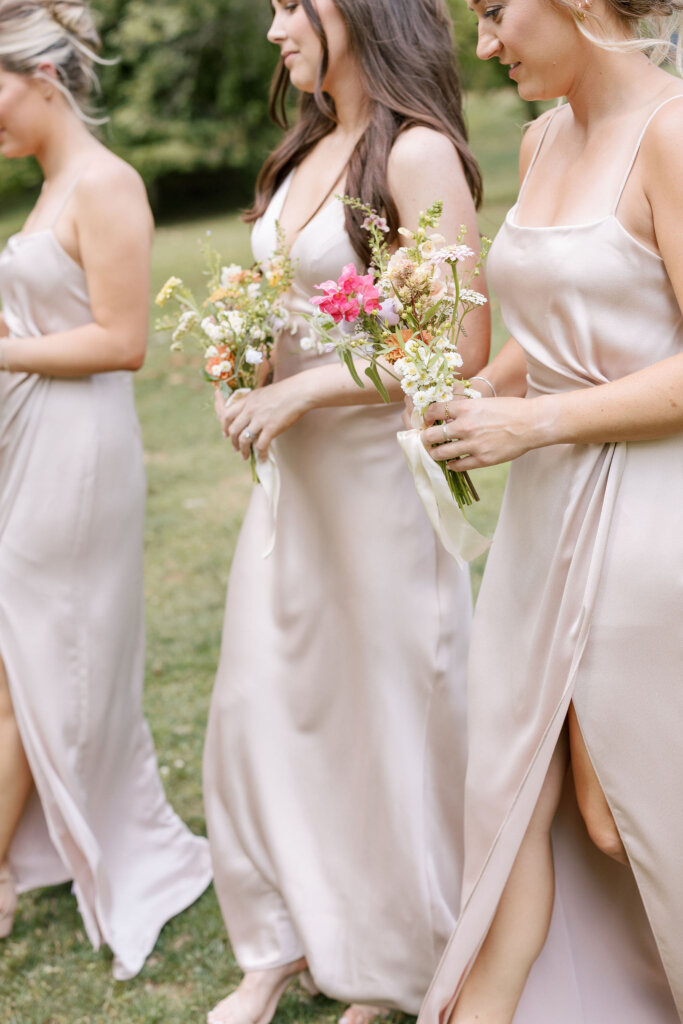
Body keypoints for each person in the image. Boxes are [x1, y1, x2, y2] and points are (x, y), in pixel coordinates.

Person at [202, 1, 490, 1022]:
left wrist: (304, 389)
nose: (275, 29)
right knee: (267, 704)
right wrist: (239, 362)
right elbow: (281, 308)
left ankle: (391, 953)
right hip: (294, 491)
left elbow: (454, 352)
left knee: (383, 719)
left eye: (292, 5)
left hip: (374, 483)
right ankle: (275, 947)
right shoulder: (299, 153)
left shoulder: (414, 157)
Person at [418, 0, 683, 1020]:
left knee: (622, 813)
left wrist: (532, 426)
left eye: (492, 13)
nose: (481, 45)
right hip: (540, 524)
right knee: (513, 792)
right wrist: (482, 394)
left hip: (645, 519)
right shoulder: (538, 138)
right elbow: (553, 329)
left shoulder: (668, 135)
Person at [0, 0, 212, 979]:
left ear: (42, 74)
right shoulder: (47, 188)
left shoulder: (106, 183)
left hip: (80, 451)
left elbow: (122, 341)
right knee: (15, 657)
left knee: (27, 661)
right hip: (30, 438)